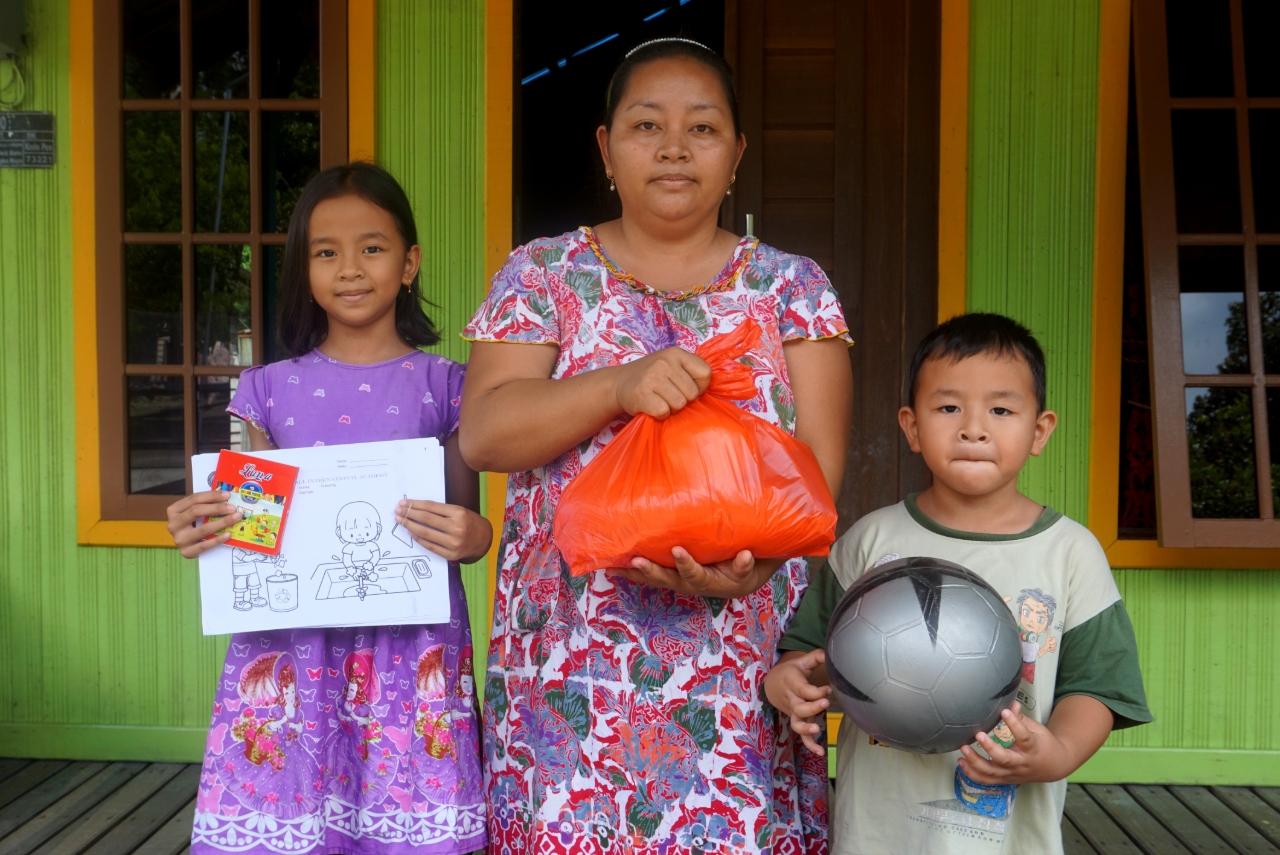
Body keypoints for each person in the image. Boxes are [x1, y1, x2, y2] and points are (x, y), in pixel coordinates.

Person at [460, 37, 854, 854]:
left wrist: (759, 564)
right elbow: (486, 431)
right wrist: (615, 385)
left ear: (737, 152)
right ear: (606, 148)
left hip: (740, 661)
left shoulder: (793, 287)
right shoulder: (543, 273)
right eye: (646, 125)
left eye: (702, 128)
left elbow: (816, 466)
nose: (674, 147)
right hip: (570, 662)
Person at [166, 162, 492, 855]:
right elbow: (253, 534)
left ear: (410, 263)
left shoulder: (450, 385)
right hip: (295, 646)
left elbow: (471, 526)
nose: (350, 267)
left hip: (411, 646)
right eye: (326, 251)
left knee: (403, 817)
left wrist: (471, 533)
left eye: (372, 247)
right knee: (301, 816)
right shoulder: (267, 391)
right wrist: (209, 527)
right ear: (304, 269)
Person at [764, 313, 1153, 854]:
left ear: (1039, 430)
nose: (974, 427)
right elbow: (808, 650)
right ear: (912, 427)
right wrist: (787, 681)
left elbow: (1099, 686)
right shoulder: (872, 541)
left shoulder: (1070, 552)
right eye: (948, 408)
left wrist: (1058, 751)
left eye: (1001, 409)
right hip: (877, 833)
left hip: (1004, 836)